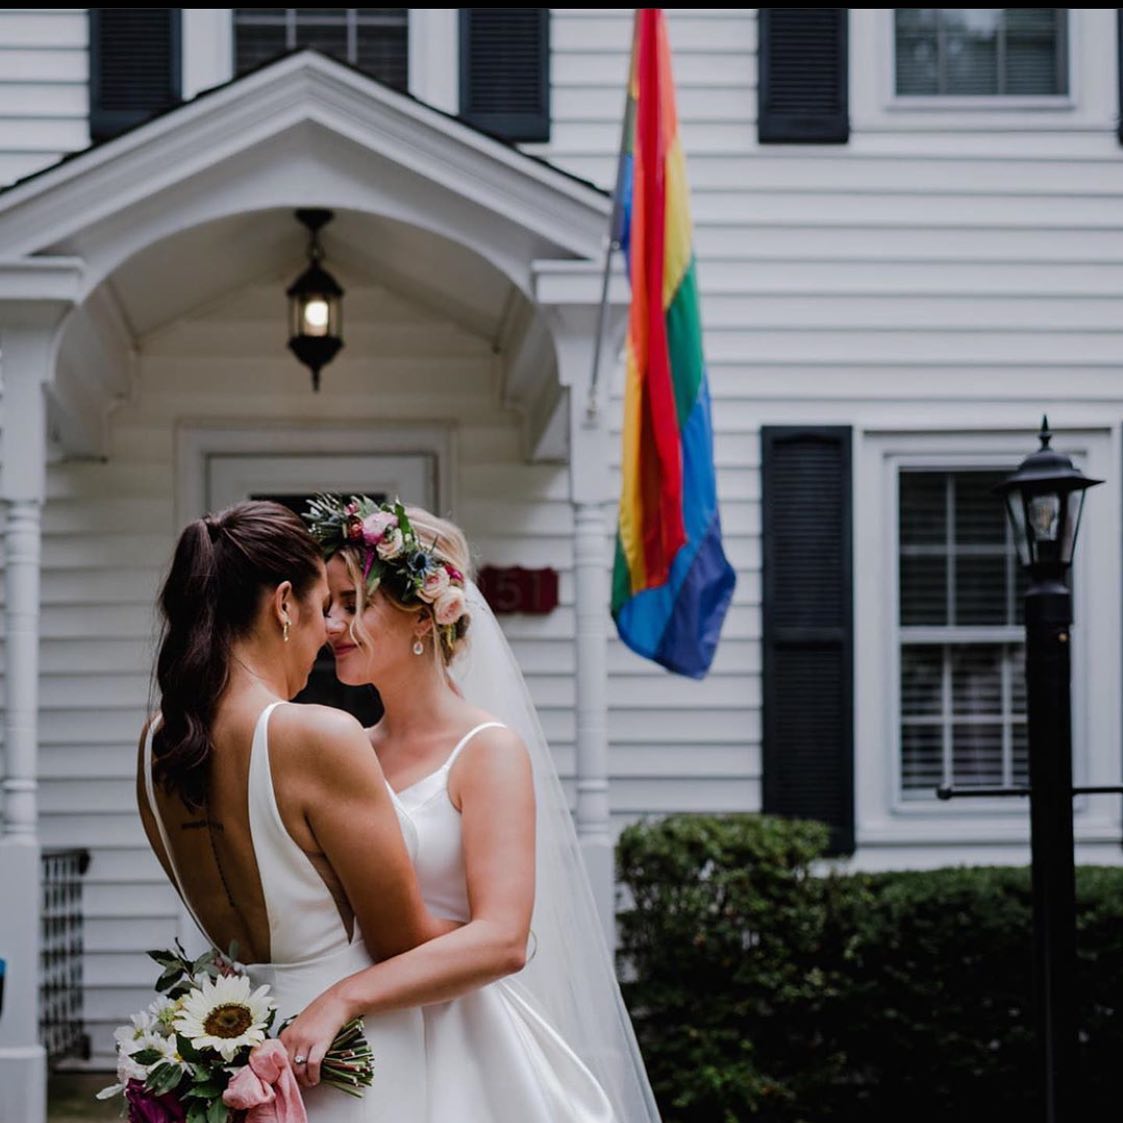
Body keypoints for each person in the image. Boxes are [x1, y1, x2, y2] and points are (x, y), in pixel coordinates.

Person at [281, 496, 661, 1123]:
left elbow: (503, 940)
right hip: (363, 1054)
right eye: (328, 607)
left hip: (464, 1051)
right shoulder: (349, 752)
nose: (329, 626)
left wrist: (345, 998)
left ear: (423, 618)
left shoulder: (487, 752)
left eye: (354, 604)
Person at [136, 501, 453, 1122]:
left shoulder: (155, 746)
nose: (327, 634)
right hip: (347, 1062)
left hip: (245, 1060)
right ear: (284, 604)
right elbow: (400, 941)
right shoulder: (315, 736)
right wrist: (492, 932)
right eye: (320, 609)